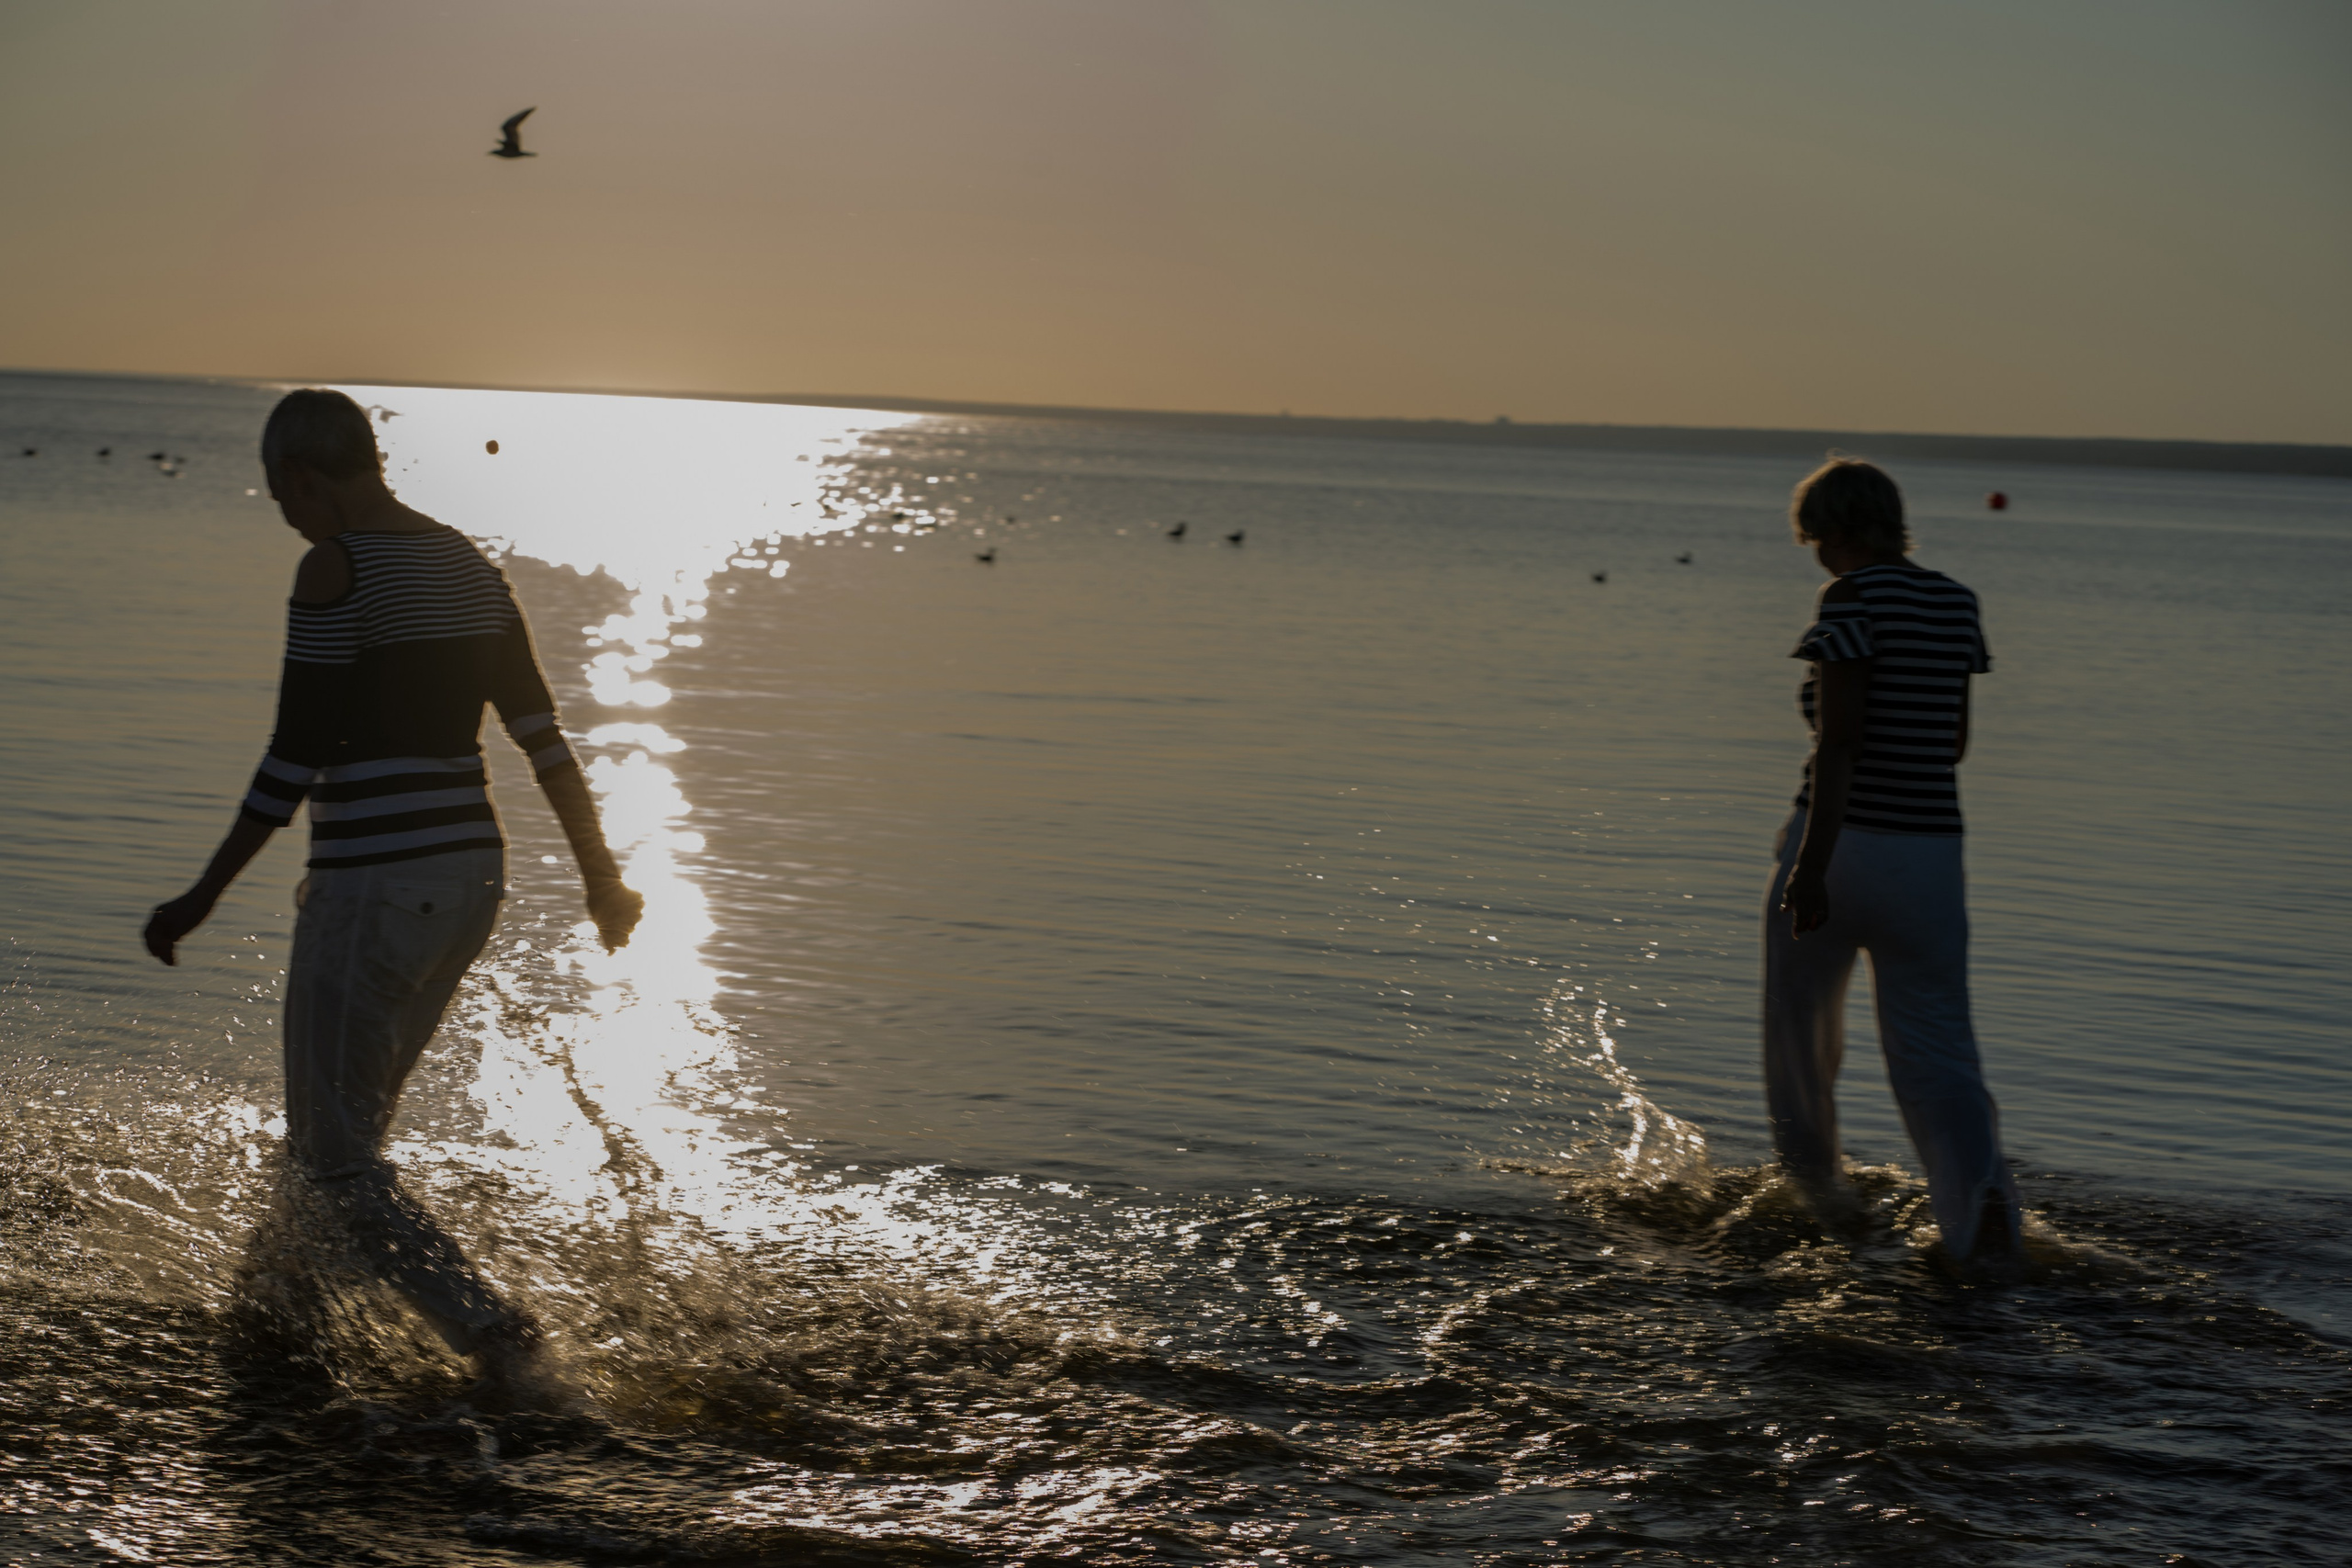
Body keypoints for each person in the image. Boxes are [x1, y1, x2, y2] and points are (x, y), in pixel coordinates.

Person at [143, 388, 643, 1377]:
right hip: (469, 885)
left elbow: (296, 751)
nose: (286, 518)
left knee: (335, 1162)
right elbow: (541, 736)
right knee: (339, 1147)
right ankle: (272, 1331)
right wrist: (601, 878)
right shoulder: (472, 565)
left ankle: (496, 1337)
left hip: (374, 886)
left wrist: (201, 896)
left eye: (283, 498)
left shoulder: (336, 566)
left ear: (306, 479)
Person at [1763, 457, 2023, 1266]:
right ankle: (1979, 1206)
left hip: (1841, 847)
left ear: (1827, 529)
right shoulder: (1956, 601)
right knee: (1940, 1049)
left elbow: (1839, 742)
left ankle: (1819, 1200)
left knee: (1802, 1037)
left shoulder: (1849, 599)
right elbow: (1953, 744)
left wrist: (1811, 867)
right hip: (1932, 857)